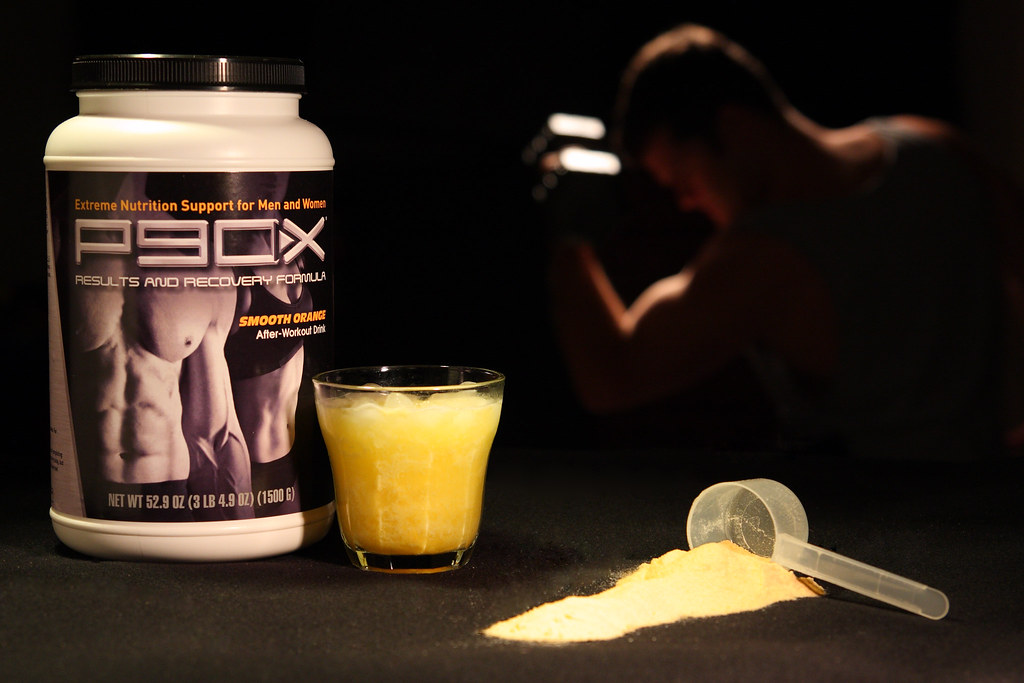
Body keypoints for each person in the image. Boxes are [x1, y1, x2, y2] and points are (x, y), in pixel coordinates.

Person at [548, 23, 1024, 459]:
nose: (686, 203)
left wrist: (570, 237)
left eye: (683, 180)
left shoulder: (761, 259)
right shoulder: (933, 145)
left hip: (887, 510)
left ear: (731, 126)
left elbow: (612, 377)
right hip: (991, 487)